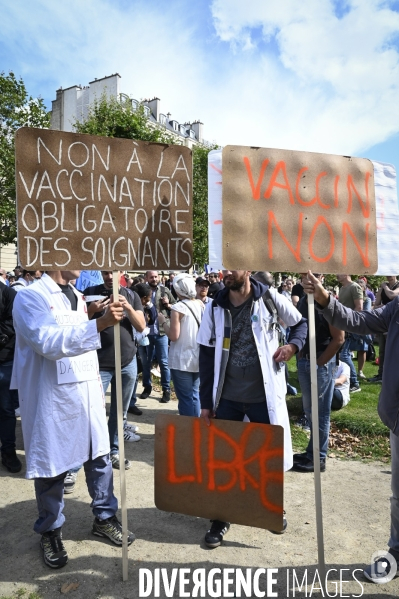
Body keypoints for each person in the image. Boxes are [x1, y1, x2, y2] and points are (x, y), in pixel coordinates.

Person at [11, 270, 135, 569]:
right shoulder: (30, 297)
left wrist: (91, 316)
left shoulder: (78, 297)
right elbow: (48, 341)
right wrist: (100, 323)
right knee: (52, 466)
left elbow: (79, 336)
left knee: (99, 457)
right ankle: (50, 530)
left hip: (86, 393)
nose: (82, 259)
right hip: (52, 398)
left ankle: (104, 517)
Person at [197, 269, 307, 547]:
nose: (225, 273)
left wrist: (292, 347)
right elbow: (206, 356)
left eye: (232, 267)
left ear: (246, 269)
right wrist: (206, 404)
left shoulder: (270, 298)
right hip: (228, 398)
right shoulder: (214, 307)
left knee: (267, 457)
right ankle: (221, 517)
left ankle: (270, 507)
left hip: (263, 397)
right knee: (226, 460)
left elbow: (300, 324)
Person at [302, 270, 399, 583]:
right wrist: (324, 298)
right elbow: (359, 321)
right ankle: (396, 554)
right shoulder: (396, 307)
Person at [82, 271, 145, 471]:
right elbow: (77, 327)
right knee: (91, 412)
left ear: (121, 273)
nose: (109, 277)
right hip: (99, 363)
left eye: (113, 272)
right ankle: (85, 457)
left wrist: (127, 307)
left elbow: (141, 325)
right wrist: (91, 311)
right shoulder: (90, 292)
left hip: (127, 363)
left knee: (120, 413)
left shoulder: (132, 295)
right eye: (105, 272)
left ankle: (114, 450)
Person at [292, 274, 345, 473]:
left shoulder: (329, 302)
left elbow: (339, 338)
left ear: (321, 277)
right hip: (305, 360)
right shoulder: (304, 301)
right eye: (303, 276)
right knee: (309, 411)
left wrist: (319, 363)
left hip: (321, 362)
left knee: (320, 412)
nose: (308, 280)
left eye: (313, 275)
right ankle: (311, 451)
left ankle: (319, 457)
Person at [158, 274, 204, 417]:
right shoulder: (201, 304)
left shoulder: (178, 307)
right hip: (198, 357)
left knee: (185, 398)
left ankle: (189, 432)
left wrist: (163, 322)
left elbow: (173, 335)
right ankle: (197, 429)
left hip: (181, 358)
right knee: (194, 395)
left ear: (178, 290)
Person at [141, 270, 176, 403]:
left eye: (156, 277)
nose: (154, 279)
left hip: (162, 332)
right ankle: (147, 387)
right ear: (146, 278)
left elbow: (175, 305)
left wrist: (167, 304)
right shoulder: (142, 290)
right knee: (146, 361)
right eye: (152, 277)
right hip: (146, 332)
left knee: (164, 362)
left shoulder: (165, 290)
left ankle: (166, 390)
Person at [0, 281, 21, 473]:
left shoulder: (9, 294)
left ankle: (8, 451)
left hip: (4, 359)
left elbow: (12, 323)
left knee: (5, 410)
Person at [370, 275, 399, 383]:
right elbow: (376, 305)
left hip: (396, 322)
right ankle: (381, 375)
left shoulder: (393, 286)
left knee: (394, 351)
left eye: (391, 274)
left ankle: (393, 376)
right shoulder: (383, 287)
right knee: (382, 351)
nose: (389, 276)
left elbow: (392, 295)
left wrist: (384, 287)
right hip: (384, 322)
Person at [336, 274, 363, 393]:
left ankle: (355, 383)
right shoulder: (342, 288)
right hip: (342, 325)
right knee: (342, 354)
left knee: (344, 354)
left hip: (349, 326)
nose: (336, 275)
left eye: (339, 272)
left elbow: (359, 307)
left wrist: (349, 323)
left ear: (347, 273)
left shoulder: (355, 287)